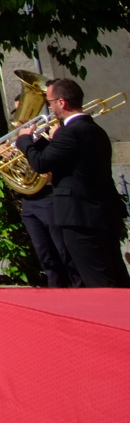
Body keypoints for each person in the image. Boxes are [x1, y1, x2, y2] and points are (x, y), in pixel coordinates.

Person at [17, 77, 130, 288]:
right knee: (117, 278)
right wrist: (41, 141)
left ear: (62, 102)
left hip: (80, 218)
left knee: (99, 283)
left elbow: (41, 163)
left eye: (50, 102)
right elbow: (64, 159)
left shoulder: (71, 132)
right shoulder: (93, 130)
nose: (49, 107)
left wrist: (24, 140)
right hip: (101, 213)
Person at [8, 89, 76, 288]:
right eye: (17, 114)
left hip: (49, 196)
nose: (19, 119)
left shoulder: (51, 132)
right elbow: (4, 148)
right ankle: (55, 294)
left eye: (25, 113)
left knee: (63, 251)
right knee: (44, 254)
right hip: (29, 200)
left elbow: (56, 159)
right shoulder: (18, 136)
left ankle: (73, 292)